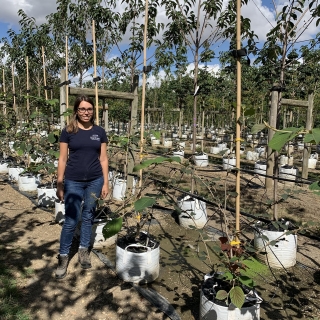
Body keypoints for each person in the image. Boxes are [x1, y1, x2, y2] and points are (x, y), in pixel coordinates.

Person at [55, 95, 109, 279]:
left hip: (95, 180)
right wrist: (59, 183)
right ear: (76, 111)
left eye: (89, 109)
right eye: (82, 109)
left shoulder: (100, 132)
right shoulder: (68, 131)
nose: (86, 112)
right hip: (73, 181)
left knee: (88, 216)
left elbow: (103, 158)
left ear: (93, 111)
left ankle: (83, 250)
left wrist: (106, 182)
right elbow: (62, 159)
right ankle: (63, 257)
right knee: (71, 220)